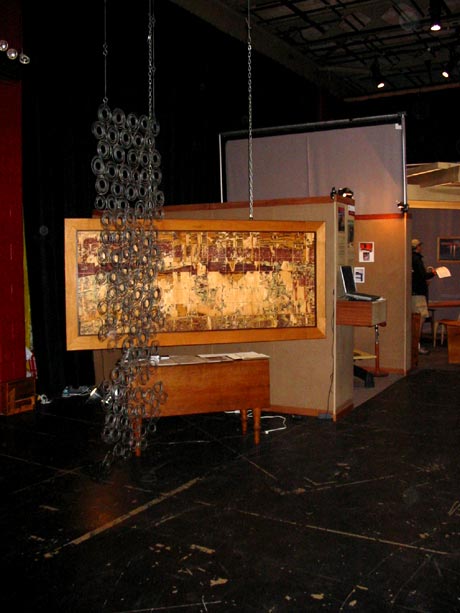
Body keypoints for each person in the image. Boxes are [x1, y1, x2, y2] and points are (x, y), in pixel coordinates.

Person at [412, 238, 437, 354]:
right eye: (420, 246)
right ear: (417, 247)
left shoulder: (408, 258)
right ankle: (417, 346)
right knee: (420, 320)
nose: (421, 248)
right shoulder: (417, 259)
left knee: (414, 321)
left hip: (413, 293)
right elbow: (422, 275)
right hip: (418, 295)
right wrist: (433, 273)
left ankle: (414, 345)